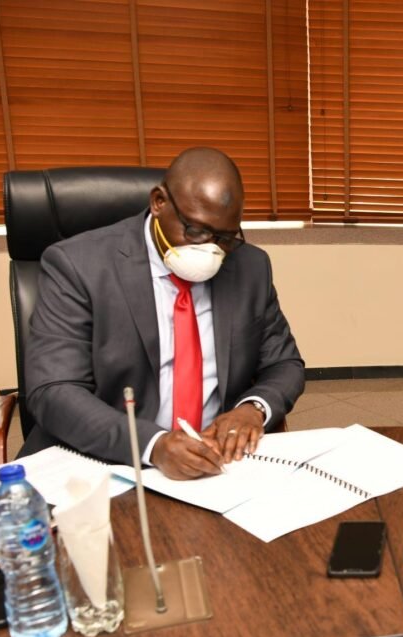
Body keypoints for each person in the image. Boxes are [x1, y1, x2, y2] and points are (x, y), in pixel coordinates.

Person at [21, 147, 305, 479]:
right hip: (106, 463)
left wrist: (253, 408)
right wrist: (152, 445)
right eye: (196, 231)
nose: (210, 249)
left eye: (225, 238)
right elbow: (55, 389)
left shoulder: (250, 267)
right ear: (159, 202)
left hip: (214, 465)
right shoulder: (78, 265)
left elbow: (284, 363)